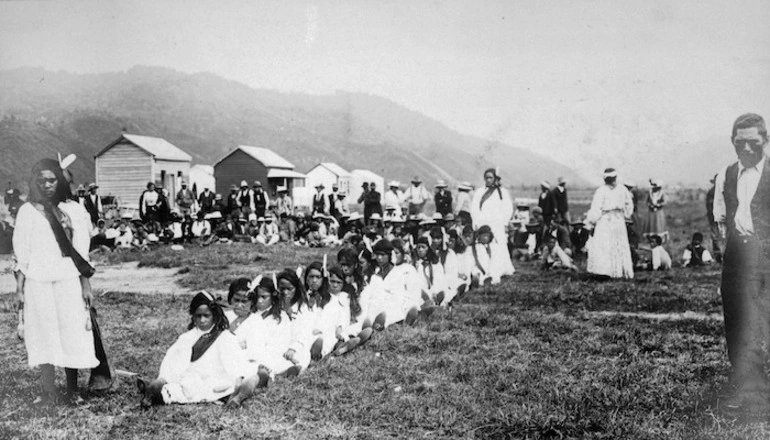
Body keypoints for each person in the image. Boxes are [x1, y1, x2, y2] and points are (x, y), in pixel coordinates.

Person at [13, 158, 98, 405]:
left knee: (71, 332)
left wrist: (85, 284)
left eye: (52, 180)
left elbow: (82, 252)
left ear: (59, 181)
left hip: (68, 278)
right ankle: (47, 390)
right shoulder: (28, 211)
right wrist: (19, 289)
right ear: (35, 183)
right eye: (42, 181)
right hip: (38, 281)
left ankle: (73, 390)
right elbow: (22, 253)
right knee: (43, 332)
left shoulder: (74, 210)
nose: (47, 185)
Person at [712, 113, 770, 414]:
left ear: (765, 141)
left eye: (753, 142)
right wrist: (729, 246)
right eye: (739, 142)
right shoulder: (726, 173)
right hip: (737, 254)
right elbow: (720, 217)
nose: (746, 148)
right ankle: (751, 394)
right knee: (737, 324)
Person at [137, 291, 255, 407]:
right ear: (193, 316)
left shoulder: (225, 337)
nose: (202, 320)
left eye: (206, 315)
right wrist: (164, 378)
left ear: (214, 315)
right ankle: (154, 391)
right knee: (178, 387)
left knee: (227, 386)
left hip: (216, 379)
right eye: (198, 316)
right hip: (191, 380)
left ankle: (153, 392)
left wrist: (238, 379)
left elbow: (237, 365)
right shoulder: (187, 338)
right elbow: (172, 363)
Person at [584, 168, 634, 279]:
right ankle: (618, 271)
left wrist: (592, 221)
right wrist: (625, 214)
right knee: (617, 244)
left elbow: (596, 210)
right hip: (618, 220)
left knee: (605, 245)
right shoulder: (622, 190)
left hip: (606, 220)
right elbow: (629, 206)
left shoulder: (601, 191)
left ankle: (605, 272)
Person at [470, 168, 515, 279]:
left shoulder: (502, 192)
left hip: (497, 223)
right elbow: (474, 208)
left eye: (490, 178)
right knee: (482, 245)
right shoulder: (480, 192)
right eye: (486, 178)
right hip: (483, 222)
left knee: (498, 245)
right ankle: (484, 267)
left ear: (495, 178)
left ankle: (501, 268)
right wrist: (475, 221)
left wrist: (505, 222)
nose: (488, 180)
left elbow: (508, 208)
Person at [705, 175, 723, 263]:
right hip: (714, 217)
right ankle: (718, 256)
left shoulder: (725, 191)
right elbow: (708, 205)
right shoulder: (711, 192)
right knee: (715, 236)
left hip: (723, 217)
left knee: (723, 236)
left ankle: (724, 255)